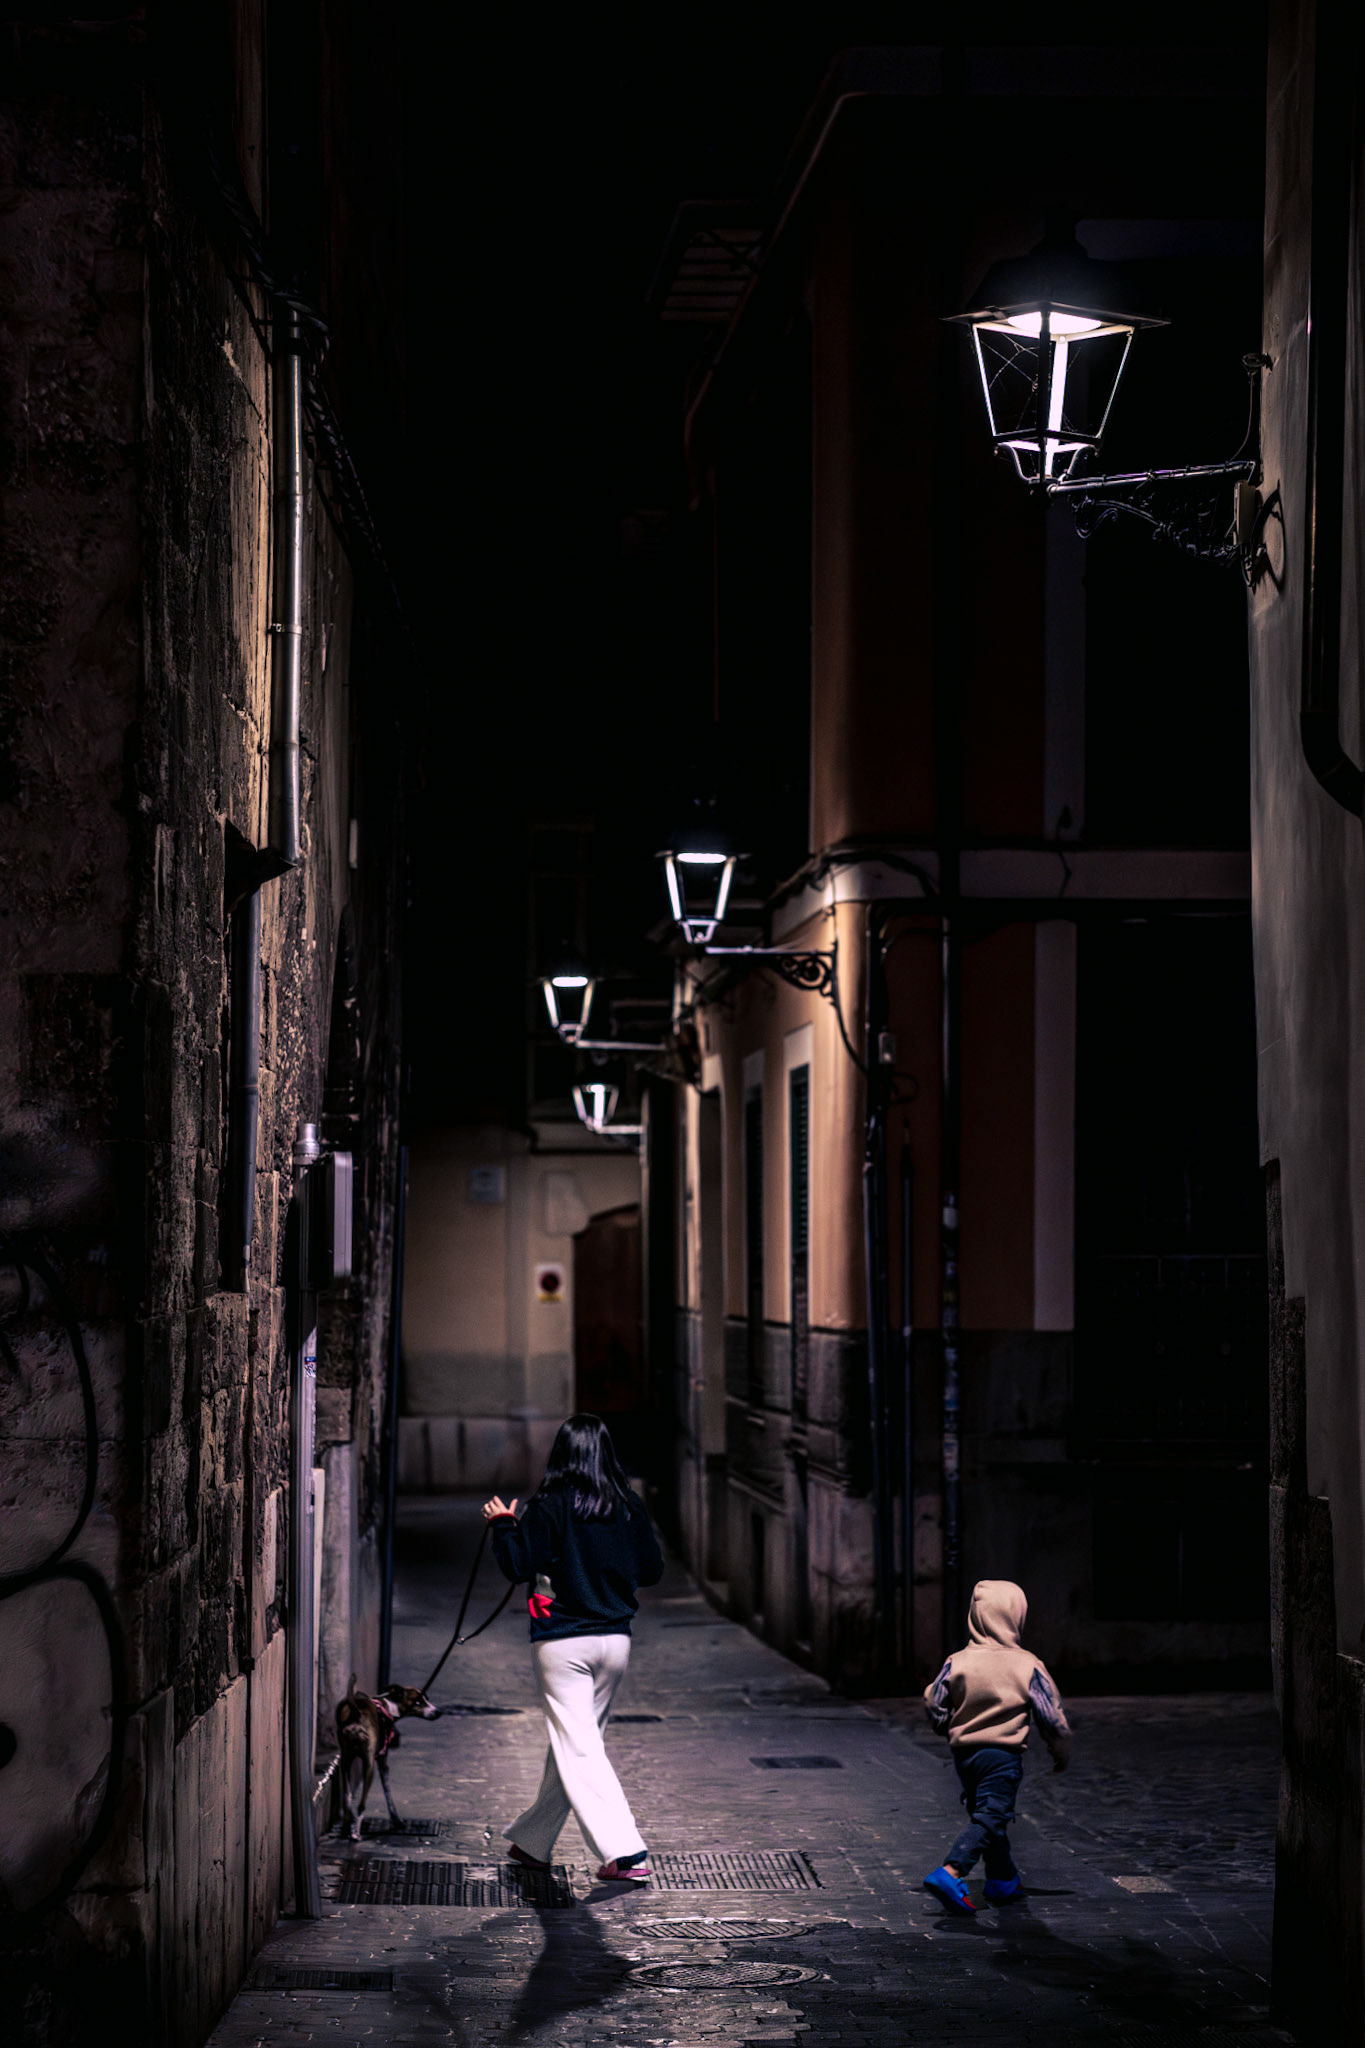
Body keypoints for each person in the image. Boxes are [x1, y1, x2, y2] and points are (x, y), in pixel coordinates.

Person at [483, 1412, 664, 1884]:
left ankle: (624, 1852)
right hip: (615, 1643)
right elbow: (652, 1570)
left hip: (564, 1643)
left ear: (561, 1453)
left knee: (579, 1746)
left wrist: (504, 1525)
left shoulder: (549, 1506)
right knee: (578, 1743)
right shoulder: (629, 1505)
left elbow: (518, 1565)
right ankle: (532, 1842)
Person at [921, 1578, 1071, 1914]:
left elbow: (935, 1700)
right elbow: (1051, 1716)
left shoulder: (958, 1660)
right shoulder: (1027, 1664)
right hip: (1003, 1754)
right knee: (992, 1814)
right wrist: (1059, 1750)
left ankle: (1003, 1879)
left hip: (964, 1755)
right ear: (1016, 1616)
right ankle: (952, 1871)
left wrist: (945, 1725)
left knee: (986, 1813)